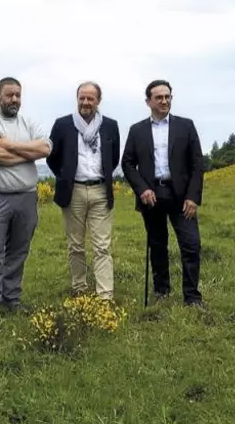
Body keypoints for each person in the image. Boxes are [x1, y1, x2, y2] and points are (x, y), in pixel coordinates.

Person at [0, 77, 52, 325]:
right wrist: (28, 154)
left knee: (18, 251)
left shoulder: (29, 122)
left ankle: (11, 298)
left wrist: (11, 146)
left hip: (26, 197)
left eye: (18, 94)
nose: (14, 99)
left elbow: (46, 149)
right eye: (9, 95)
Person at [121, 79, 205, 307]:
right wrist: (142, 189)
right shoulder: (137, 130)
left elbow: (198, 163)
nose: (165, 101)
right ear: (148, 101)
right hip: (152, 196)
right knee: (157, 245)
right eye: (159, 97)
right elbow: (127, 163)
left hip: (181, 197)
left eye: (168, 97)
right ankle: (161, 292)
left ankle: (192, 297)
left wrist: (193, 197)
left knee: (191, 244)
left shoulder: (186, 126)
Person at [46, 81, 120, 300]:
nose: (86, 102)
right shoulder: (63, 125)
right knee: (76, 245)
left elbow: (113, 158)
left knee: (102, 246)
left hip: (100, 191)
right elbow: (52, 157)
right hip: (73, 191)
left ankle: (105, 295)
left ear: (98, 100)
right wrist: (65, 175)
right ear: (77, 98)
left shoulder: (110, 125)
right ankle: (79, 289)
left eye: (90, 98)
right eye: (82, 98)